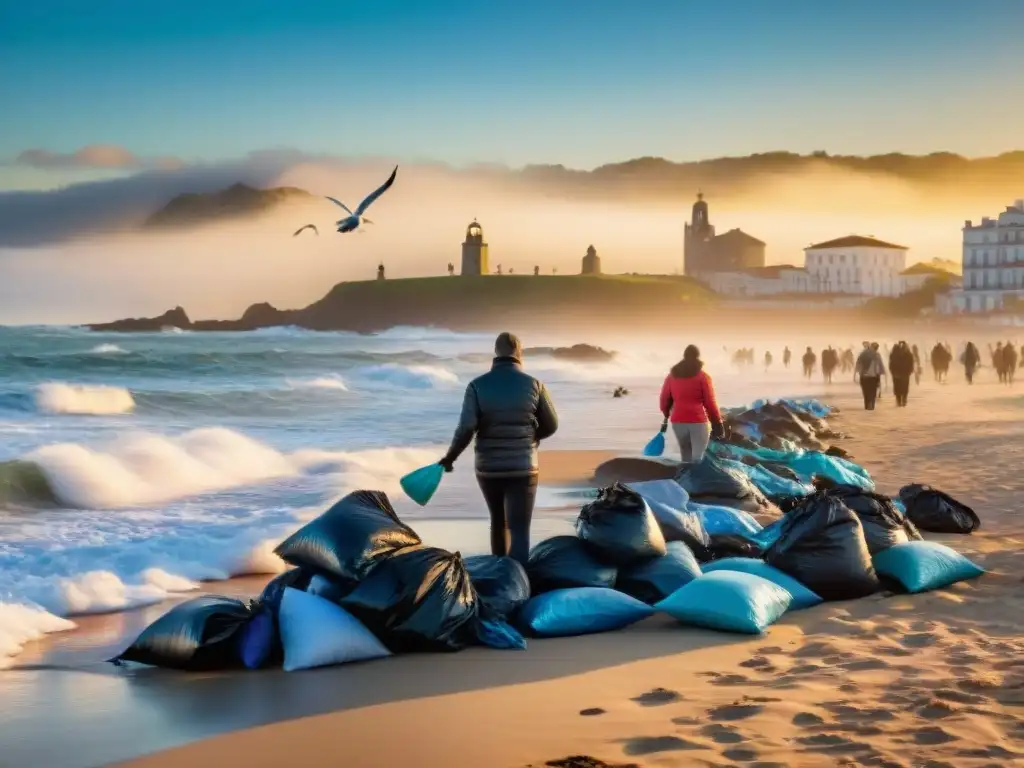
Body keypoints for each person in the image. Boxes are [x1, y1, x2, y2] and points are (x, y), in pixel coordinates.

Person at [439, 332, 558, 565]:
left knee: (497, 522)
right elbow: (552, 424)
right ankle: (520, 584)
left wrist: (450, 457)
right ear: (519, 352)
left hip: (488, 467)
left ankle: (499, 578)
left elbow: (466, 428)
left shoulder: (476, 386)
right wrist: (532, 438)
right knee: (520, 530)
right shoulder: (535, 385)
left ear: (496, 352)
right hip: (523, 466)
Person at [659, 345, 724, 463]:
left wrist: (666, 413)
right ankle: (696, 480)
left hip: (678, 422)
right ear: (697, 357)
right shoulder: (703, 377)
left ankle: (685, 480)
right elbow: (710, 402)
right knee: (698, 459)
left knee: (686, 457)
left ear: (684, 357)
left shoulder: (671, 376)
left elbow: (664, 399)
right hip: (698, 422)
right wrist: (717, 423)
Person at [855, 341, 886, 410]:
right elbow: (879, 366)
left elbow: (858, 364)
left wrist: (858, 373)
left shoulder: (863, 353)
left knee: (866, 391)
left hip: (864, 376)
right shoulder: (877, 355)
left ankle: (867, 405)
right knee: (872, 391)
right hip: (873, 377)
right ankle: (871, 405)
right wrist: (881, 373)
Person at [889, 341, 915, 407]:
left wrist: (892, 371)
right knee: (905, 387)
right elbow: (911, 364)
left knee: (897, 388)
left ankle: (898, 401)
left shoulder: (893, 354)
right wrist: (910, 371)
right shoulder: (908, 354)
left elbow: (891, 364)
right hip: (905, 374)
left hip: (896, 374)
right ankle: (904, 400)